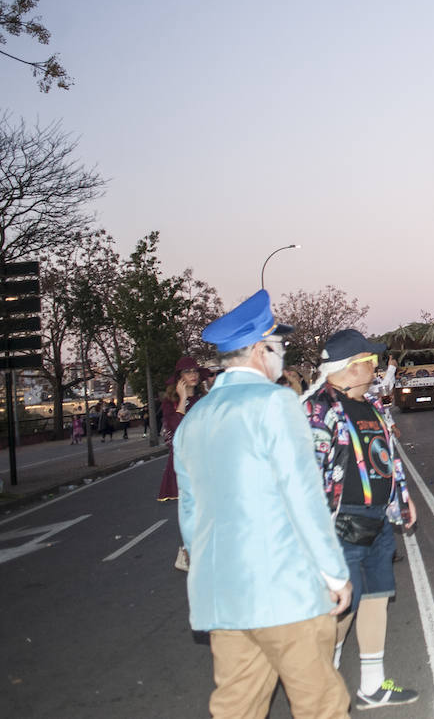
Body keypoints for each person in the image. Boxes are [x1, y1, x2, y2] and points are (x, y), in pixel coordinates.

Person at [173, 289, 353, 719]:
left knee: (237, 708)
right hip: (283, 592)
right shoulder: (276, 403)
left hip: (223, 598)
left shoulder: (193, 418)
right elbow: (302, 495)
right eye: (279, 347)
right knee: (321, 705)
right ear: (259, 350)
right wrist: (334, 574)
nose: (282, 357)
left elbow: (190, 516)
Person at [303, 329, 419, 709]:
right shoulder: (317, 409)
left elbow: (384, 459)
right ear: (352, 368)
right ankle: (326, 688)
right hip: (339, 526)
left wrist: (401, 499)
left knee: (376, 597)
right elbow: (307, 475)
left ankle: (372, 686)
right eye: (369, 360)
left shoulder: (371, 405)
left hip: (377, 520)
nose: (374, 366)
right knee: (340, 607)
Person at [158, 357, 204, 502]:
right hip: (183, 463)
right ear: (179, 377)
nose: (193, 374)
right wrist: (183, 399)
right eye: (187, 371)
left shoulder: (204, 399)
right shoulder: (170, 403)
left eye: (195, 371)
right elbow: (178, 430)